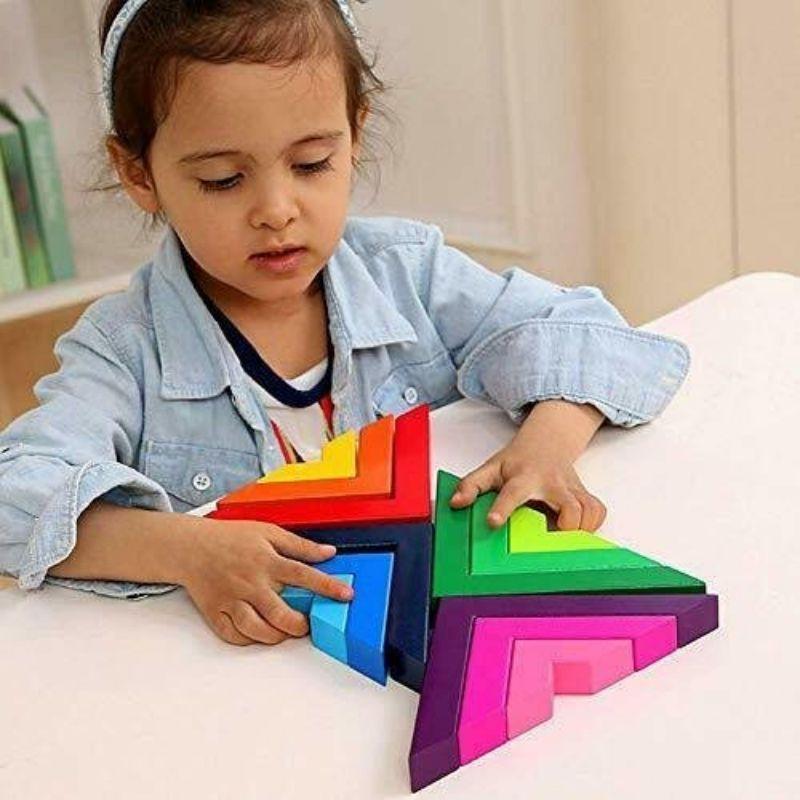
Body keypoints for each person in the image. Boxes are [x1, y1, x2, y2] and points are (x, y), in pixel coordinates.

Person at [0, 0, 690, 648]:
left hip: (419, 642)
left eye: (311, 164)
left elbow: (585, 332)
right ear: (139, 173)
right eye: (222, 179)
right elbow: (14, 493)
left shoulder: (408, 272)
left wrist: (546, 447)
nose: (277, 210)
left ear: (355, 133)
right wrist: (186, 550)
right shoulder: (123, 348)